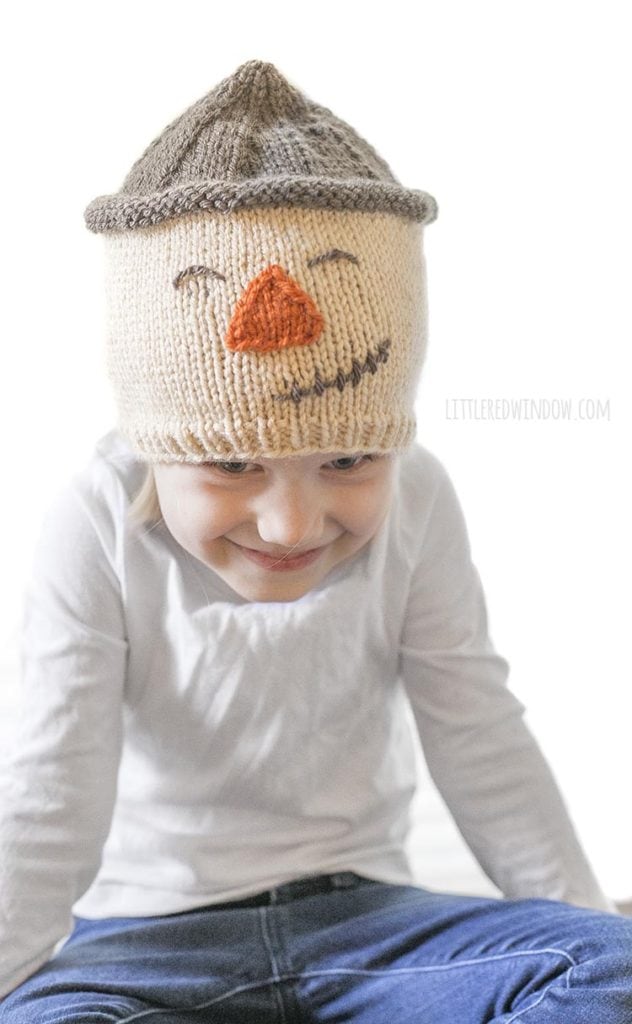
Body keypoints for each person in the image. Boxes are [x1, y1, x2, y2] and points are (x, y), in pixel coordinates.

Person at [0, 58, 629, 1024]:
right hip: (143, 942)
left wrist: (581, 918)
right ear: (154, 444)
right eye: (231, 465)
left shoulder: (419, 497)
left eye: (348, 461)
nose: (291, 524)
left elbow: (479, 731)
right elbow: (50, 792)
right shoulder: (91, 519)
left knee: (611, 968)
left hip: (368, 924)